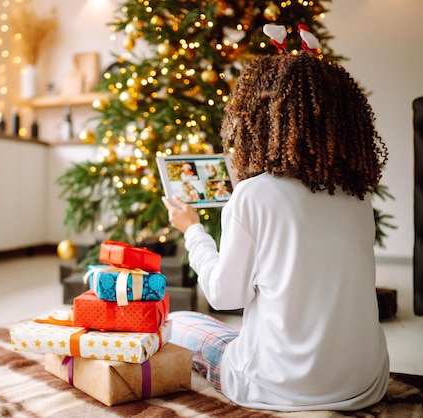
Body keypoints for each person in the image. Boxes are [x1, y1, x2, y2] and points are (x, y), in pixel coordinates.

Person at [162, 50, 390, 411]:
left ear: (256, 120)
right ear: (343, 120)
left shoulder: (254, 194)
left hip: (273, 387)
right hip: (366, 384)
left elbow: (224, 296)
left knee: (180, 321)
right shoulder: (357, 195)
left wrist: (193, 231)